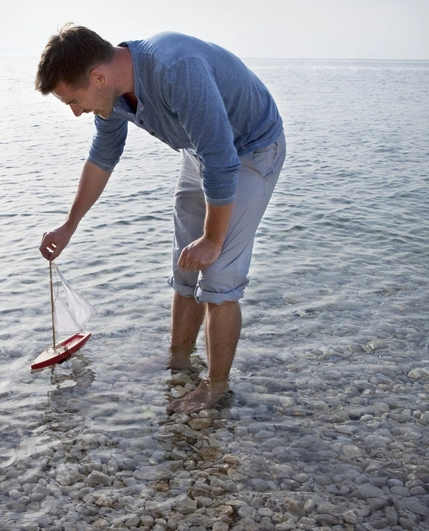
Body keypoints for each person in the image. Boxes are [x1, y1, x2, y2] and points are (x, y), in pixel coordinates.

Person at [35, 24, 286, 414]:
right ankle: (179, 359)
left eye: (74, 100)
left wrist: (213, 239)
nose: (76, 112)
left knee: (217, 277)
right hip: (199, 149)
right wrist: (70, 225)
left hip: (252, 147)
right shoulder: (113, 94)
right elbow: (103, 156)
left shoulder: (175, 68)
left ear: (97, 77)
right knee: (185, 265)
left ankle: (216, 386)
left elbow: (222, 159)